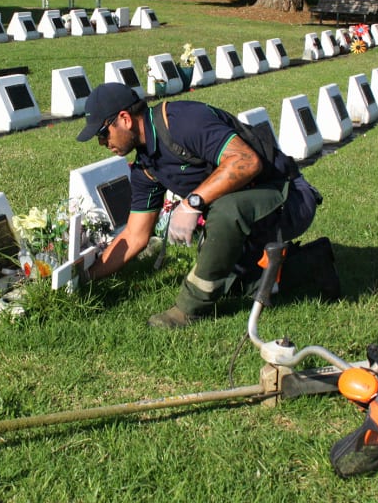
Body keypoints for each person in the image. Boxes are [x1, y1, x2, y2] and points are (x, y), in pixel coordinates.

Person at [77, 83, 322, 328]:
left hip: (289, 198)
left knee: (226, 211)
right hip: (253, 216)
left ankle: (188, 310)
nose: (102, 143)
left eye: (103, 133)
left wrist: (192, 203)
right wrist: (86, 277)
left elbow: (246, 161)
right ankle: (313, 263)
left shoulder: (184, 122)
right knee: (225, 282)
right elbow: (134, 235)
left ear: (124, 119)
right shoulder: (146, 167)